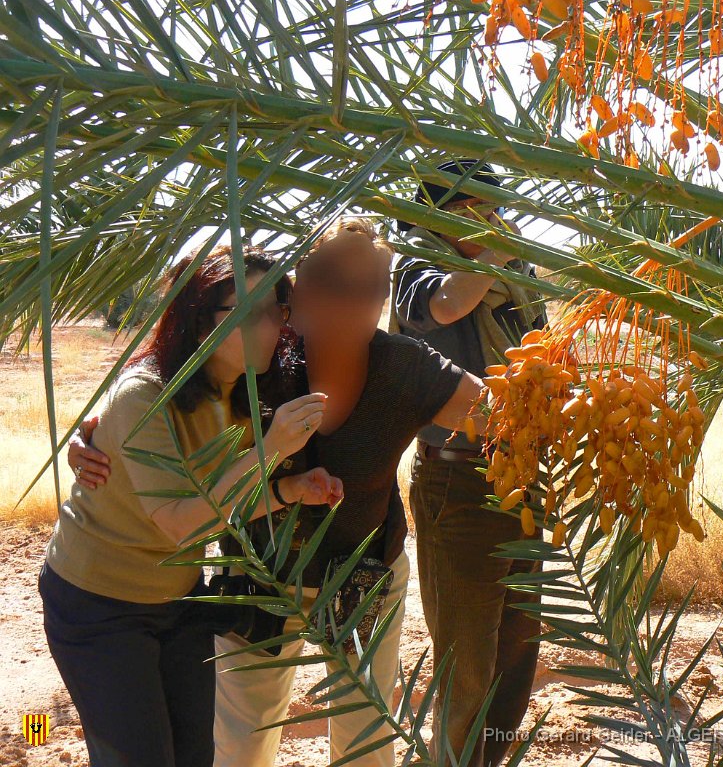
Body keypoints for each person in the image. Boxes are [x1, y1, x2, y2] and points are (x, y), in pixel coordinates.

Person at [70, 217, 488, 767]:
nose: (356, 305)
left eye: (373, 289)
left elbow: (499, 416)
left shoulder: (405, 367)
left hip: (365, 580)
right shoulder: (261, 355)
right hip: (261, 576)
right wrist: (91, 436)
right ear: (301, 288)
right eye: (336, 284)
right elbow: (159, 392)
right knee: (243, 741)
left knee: (366, 740)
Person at [41, 244, 343, 767]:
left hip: (178, 597)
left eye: (276, 310)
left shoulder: (244, 390)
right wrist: (271, 450)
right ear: (199, 319)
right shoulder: (144, 395)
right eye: (248, 313)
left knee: (194, 756)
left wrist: (286, 491)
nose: (269, 326)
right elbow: (184, 525)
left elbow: (220, 503)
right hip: (98, 605)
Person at [390, 160, 548, 767]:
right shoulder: (414, 265)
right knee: (467, 668)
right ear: (439, 212)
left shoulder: (515, 273)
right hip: (458, 478)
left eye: (494, 205)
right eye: (474, 206)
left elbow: (540, 352)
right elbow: (448, 306)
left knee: (518, 653)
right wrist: (497, 254)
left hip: (525, 476)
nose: (491, 216)